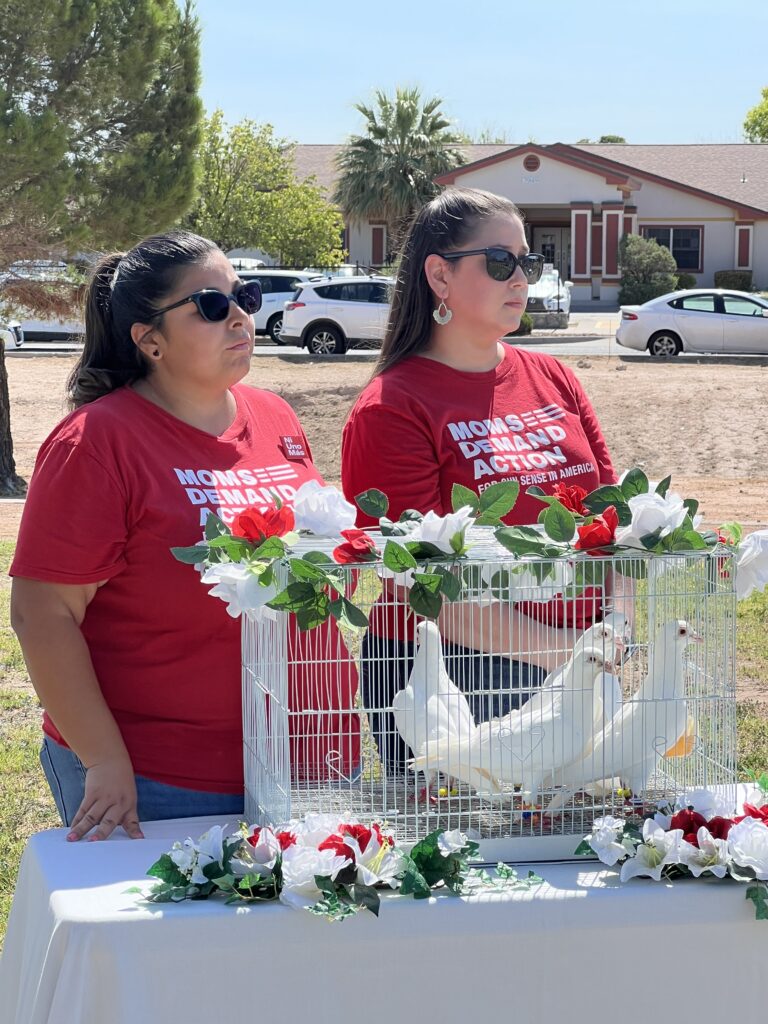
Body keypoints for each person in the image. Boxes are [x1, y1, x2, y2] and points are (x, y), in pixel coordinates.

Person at [10, 230, 359, 841]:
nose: (241, 316)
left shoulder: (276, 417)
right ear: (149, 340)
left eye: (243, 295)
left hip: (308, 761)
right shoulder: (96, 444)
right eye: (212, 305)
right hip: (161, 779)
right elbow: (43, 615)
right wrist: (104, 760)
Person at [341, 187, 617, 774]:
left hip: (581, 664)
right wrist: (570, 656)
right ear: (439, 276)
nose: (522, 279)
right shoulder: (391, 408)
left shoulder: (554, 377)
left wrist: (616, 628)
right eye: (500, 263)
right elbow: (428, 587)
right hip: (456, 672)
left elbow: (614, 519)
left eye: (529, 262)